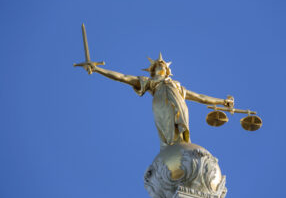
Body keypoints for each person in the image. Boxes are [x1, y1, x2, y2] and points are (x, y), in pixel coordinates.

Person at [82, 53, 234, 150]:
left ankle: (182, 144)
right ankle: (172, 148)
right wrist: (97, 69)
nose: (161, 65)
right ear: (153, 70)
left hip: (180, 105)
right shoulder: (150, 82)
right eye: (158, 65)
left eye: (163, 65)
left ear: (168, 70)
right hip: (161, 105)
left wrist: (222, 102)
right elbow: (123, 77)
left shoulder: (177, 85)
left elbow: (200, 97)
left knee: (181, 131)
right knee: (169, 133)